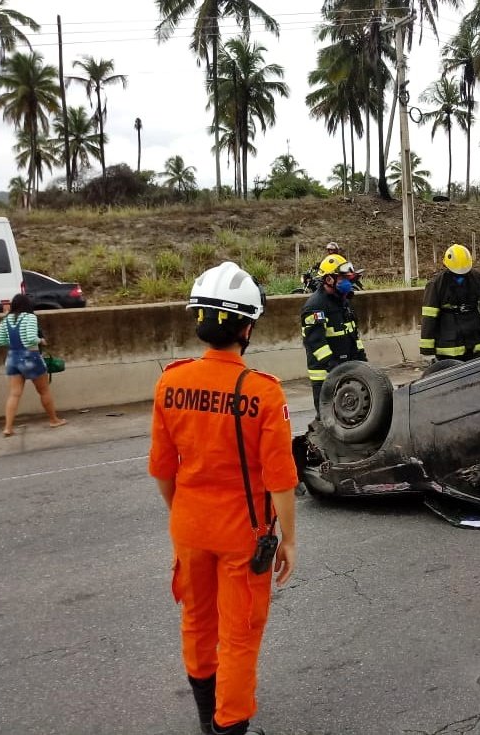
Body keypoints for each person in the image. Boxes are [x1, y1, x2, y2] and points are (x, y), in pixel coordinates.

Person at [149, 262, 298, 735]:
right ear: (247, 328)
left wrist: (183, 515)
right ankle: (228, 724)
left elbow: (162, 469)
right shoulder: (263, 393)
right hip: (242, 536)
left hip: (189, 526)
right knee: (238, 634)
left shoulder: (170, 382)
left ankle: (205, 715)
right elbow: (280, 480)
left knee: (197, 621)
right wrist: (289, 540)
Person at [301, 254, 367, 417]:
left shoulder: (343, 302)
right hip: (326, 377)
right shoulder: (316, 306)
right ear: (329, 279)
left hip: (347, 371)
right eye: (343, 278)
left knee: (353, 419)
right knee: (329, 420)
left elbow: (353, 335)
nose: (348, 282)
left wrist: (362, 361)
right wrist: (334, 366)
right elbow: (315, 342)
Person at [0, 293, 66, 436]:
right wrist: (41, 340)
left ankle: (8, 428)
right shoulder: (30, 317)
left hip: (12, 358)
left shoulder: (5, 319)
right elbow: (30, 339)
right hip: (30, 357)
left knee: (14, 394)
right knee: (44, 391)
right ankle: (54, 420)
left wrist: (14, 343)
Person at [420, 244, 480, 363]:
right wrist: (427, 351)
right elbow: (429, 318)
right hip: (448, 349)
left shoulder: (477, 278)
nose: (462, 274)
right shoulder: (436, 284)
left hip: (476, 344)